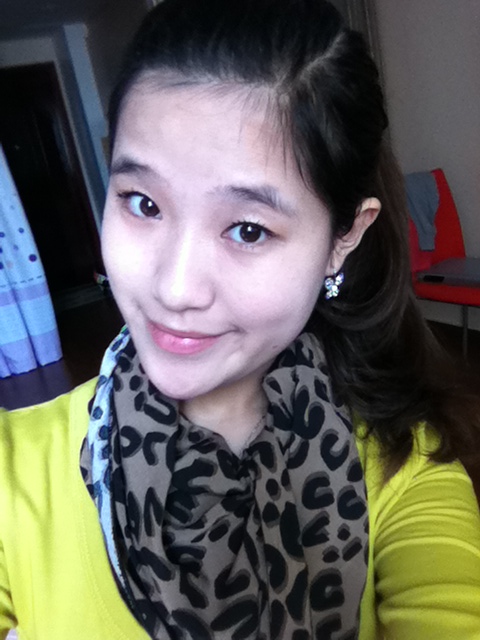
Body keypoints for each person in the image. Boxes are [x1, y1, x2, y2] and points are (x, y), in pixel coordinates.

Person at [1, 0, 480, 638]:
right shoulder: (13, 469)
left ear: (343, 239)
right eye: (143, 203)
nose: (174, 288)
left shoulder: (405, 475)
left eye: (248, 229)